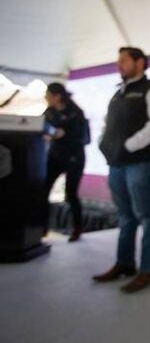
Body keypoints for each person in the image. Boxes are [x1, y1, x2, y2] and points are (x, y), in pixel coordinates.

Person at [93, 47, 150, 293]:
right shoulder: (118, 93)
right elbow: (107, 124)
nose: (119, 65)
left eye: (124, 60)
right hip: (116, 165)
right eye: (118, 61)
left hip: (141, 164)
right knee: (125, 217)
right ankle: (124, 263)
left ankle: (147, 270)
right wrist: (103, 143)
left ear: (140, 63)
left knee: (147, 216)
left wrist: (128, 145)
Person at [43, 82, 87, 242]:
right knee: (43, 190)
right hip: (55, 156)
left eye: (48, 96)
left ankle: (77, 229)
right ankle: (41, 227)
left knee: (71, 193)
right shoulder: (48, 112)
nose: (46, 100)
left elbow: (82, 135)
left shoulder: (75, 112)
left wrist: (64, 133)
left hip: (74, 157)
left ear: (57, 96)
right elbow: (43, 129)